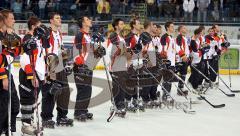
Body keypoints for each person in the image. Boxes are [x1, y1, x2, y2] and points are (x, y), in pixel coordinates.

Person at [41, 12, 73, 128]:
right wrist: (48, 69)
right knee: (49, 92)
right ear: (51, 21)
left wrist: (67, 63)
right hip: (50, 66)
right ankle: (46, 118)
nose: (60, 19)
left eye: (60, 17)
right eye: (57, 18)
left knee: (64, 91)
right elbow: (44, 51)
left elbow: (61, 50)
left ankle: (62, 116)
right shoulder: (46, 33)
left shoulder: (59, 33)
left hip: (60, 66)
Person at [19, 16, 48, 135]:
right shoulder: (27, 38)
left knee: (34, 100)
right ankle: (25, 125)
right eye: (39, 25)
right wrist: (32, 75)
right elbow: (25, 58)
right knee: (28, 99)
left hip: (38, 74)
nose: (41, 28)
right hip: (29, 74)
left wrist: (44, 74)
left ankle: (29, 121)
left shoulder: (37, 40)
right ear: (33, 26)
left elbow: (40, 59)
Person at [73, 16, 105, 121]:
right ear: (82, 23)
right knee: (82, 89)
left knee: (88, 90)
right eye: (87, 20)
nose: (90, 20)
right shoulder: (80, 35)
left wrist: (99, 51)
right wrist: (81, 65)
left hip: (88, 66)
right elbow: (76, 52)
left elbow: (90, 53)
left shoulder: (88, 36)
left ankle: (83, 110)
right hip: (81, 67)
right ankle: (78, 112)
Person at [0, 9, 20, 135]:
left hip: (7, 72)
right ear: (4, 20)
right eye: (11, 18)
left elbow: (15, 52)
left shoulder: (6, 35)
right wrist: (3, 76)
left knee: (13, 105)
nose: (14, 21)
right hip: (3, 74)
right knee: (3, 107)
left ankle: (8, 128)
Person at [108, 18, 130, 117]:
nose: (123, 25)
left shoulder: (121, 37)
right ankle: (117, 105)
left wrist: (128, 52)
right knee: (117, 87)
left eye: (123, 23)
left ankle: (120, 104)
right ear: (116, 26)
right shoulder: (113, 36)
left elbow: (123, 51)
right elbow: (111, 51)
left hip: (122, 66)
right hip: (115, 66)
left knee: (122, 87)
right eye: (121, 24)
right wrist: (124, 51)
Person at [188, 28, 205, 93]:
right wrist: (202, 51)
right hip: (194, 59)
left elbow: (199, 48)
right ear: (197, 33)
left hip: (198, 58)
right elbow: (194, 51)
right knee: (195, 73)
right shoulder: (192, 41)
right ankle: (194, 87)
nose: (201, 35)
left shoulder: (197, 39)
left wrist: (202, 47)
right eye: (200, 34)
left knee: (198, 73)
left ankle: (193, 84)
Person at [175, 25, 190, 96]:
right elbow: (178, 47)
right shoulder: (179, 37)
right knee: (181, 74)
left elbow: (186, 48)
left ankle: (180, 88)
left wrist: (188, 56)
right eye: (184, 28)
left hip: (185, 58)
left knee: (183, 74)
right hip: (181, 59)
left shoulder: (184, 38)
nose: (186, 29)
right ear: (180, 30)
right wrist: (183, 56)